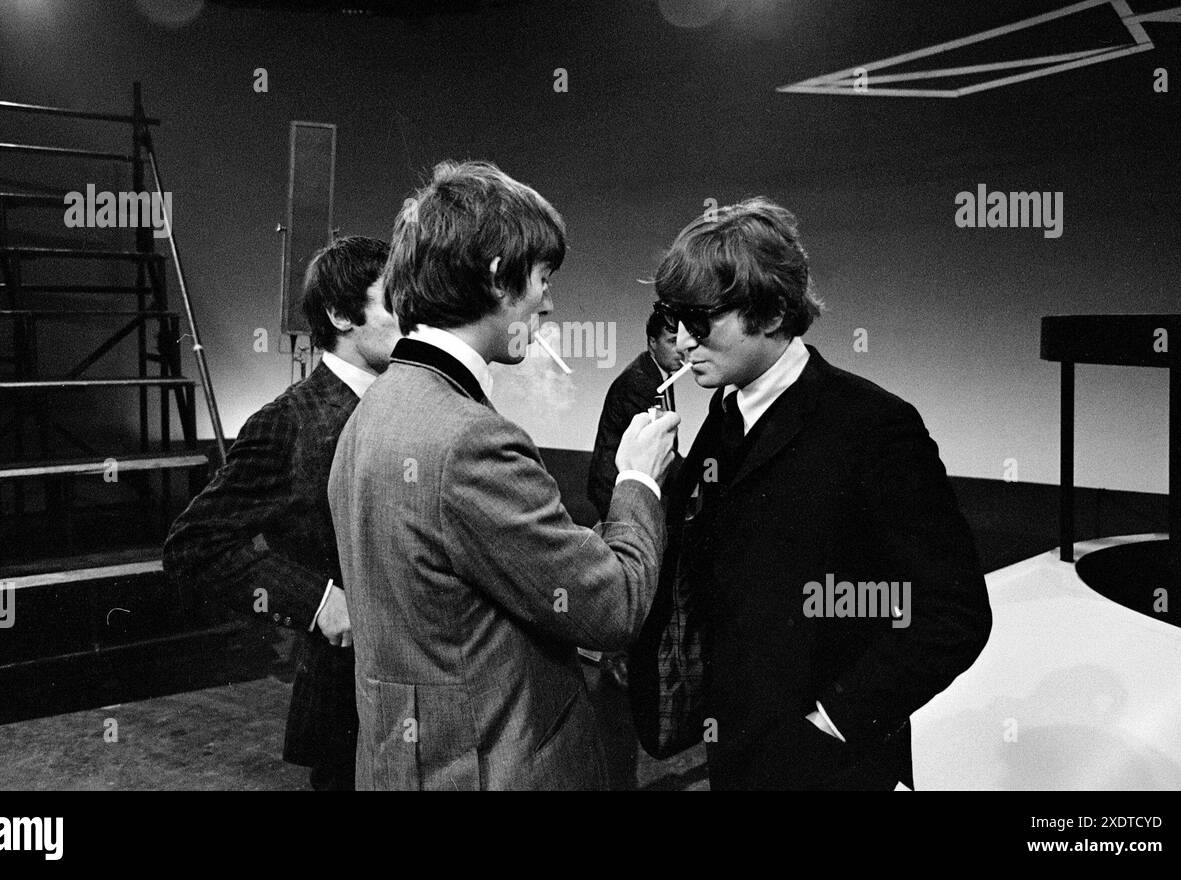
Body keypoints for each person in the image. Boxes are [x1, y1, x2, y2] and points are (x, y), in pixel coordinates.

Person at [328, 160, 680, 790]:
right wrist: (638, 481)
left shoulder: (371, 411)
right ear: (497, 276)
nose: (549, 300)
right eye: (543, 278)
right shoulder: (470, 439)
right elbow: (612, 604)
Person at [636, 198, 992, 790]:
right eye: (672, 319)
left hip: (830, 769)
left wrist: (833, 721)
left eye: (698, 322)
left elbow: (952, 612)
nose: (681, 342)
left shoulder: (874, 427)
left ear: (772, 312)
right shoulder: (725, 411)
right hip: (737, 755)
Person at [163, 235, 400, 791]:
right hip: (350, 702)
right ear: (341, 314)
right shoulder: (288, 422)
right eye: (395, 303)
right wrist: (319, 603)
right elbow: (194, 544)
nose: (413, 321)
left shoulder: (414, 402)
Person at [587, 310, 685, 520]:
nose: (681, 350)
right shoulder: (639, 382)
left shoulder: (658, 374)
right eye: (672, 342)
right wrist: (698, 477)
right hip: (615, 491)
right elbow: (652, 446)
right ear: (652, 342)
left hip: (621, 487)